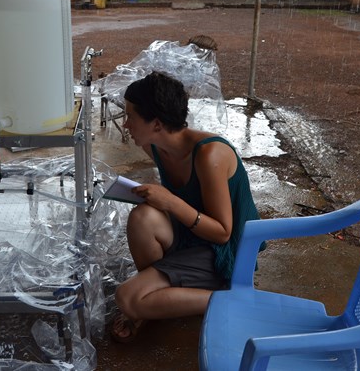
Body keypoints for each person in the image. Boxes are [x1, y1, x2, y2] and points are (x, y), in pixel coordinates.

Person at [111, 71, 262, 342]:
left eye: (130, 117)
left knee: (126, 297)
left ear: (156, 124)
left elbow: (223, 232)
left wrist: (170, 201)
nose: (125, 124)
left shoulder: (209, 154)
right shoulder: (156, 145)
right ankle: (157, 299)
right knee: (142, 217)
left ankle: (230, 300)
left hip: (224, 250)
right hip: (194, 236)